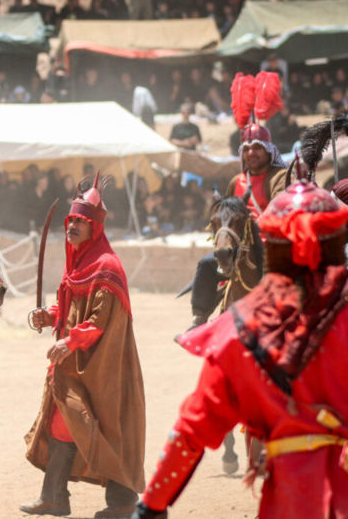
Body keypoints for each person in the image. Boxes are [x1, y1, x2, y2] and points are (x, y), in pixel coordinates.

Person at [133, 181, 348, 519]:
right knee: (207, 266)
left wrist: (151, 506)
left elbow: (191, 431)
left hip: (292, 501)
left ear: (273, 245)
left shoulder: (238, 332)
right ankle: (199, 313)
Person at [22, 178, 146, 518]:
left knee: (106, 425)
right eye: (71, 220)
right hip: (74, 362)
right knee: (63, 422)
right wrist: (48, 316)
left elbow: (97, 321)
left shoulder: (107, 265)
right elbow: (70, 309)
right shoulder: (76, 264)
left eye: (81, 222)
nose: (73, 226)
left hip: (101, 365)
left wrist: (69, 340)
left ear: (95, 227)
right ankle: (55, 498)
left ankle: (121, 504)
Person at [188, 123, 287, 327]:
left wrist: (253, 222)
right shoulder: (237, 181)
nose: (252, 152)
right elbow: (226, 212)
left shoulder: (281, 177)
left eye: (257, 147)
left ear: (269, 151)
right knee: (207, 264)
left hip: (272, 244)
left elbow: (281, 208)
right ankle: (200, 317)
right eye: (247, 148)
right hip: (241, 244)